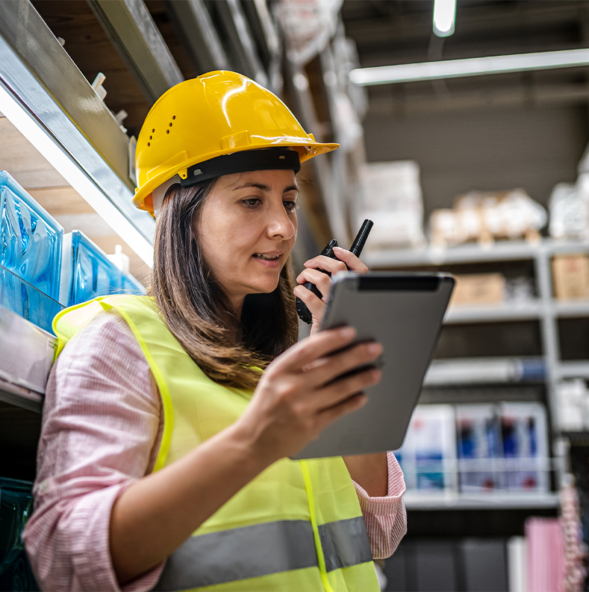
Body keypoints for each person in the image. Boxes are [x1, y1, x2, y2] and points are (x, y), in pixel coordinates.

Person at [23, 71, 406, 592]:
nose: (284, 228)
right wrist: (255, 442)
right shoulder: (118, 347)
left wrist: (349, 371)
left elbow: (379, 534)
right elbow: (65, 560)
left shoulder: (281, 359)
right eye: (252, 200)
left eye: (288, 201)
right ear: (175, 209)